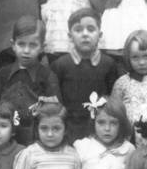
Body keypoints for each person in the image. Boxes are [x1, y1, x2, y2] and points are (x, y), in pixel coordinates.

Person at [51, 8, 119, 142]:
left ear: (100, 35)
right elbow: (57, 102)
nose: (85, 34)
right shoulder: (60, 65)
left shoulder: (109, 64)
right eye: (78, 30)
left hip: (100, 130)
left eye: (91, 29)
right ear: (70, 36)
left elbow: (113, 99)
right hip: (69, 130)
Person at [0, 16, 60, 145]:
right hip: (7, 138)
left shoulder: (47, 76)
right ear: (13, 44)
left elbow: (55, 108)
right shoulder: (4, 73)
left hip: (36, 138)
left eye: (33, 45)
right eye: (21, 44)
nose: (26, 50)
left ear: (42, 47)